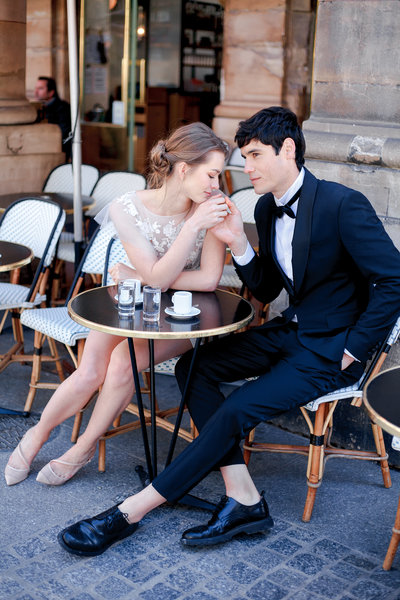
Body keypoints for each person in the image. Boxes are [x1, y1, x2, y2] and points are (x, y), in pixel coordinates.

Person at [57, 106, 400, 557]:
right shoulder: (265, 208)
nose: (246, 167)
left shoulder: (341, 203)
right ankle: (244, 497)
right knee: (195, 367)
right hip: (290, 332)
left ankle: (129, 512)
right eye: (244, 156)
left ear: (289, 149)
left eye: (255, 155)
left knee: (236, 409)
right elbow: (267, 287)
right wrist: (239, 243)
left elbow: (393, 279)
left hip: (331, 352)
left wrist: (355, 349)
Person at [5, 121, 229, 487]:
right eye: (213, 174)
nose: (216, 186)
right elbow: (156, 278)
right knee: (90, 370)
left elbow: (206, 280)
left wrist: (143, 274)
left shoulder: (211, 210)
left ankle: (82, 447)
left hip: (186, 317)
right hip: (132, 306)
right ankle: (37, 435)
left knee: (123, 362)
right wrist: (148, 277)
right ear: (185, 168)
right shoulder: (128, 207)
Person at [34, 76, 72, 161]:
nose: (36, 92)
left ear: (51, 92)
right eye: (36, 88)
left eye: (40, 89)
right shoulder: (41, 107)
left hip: (58, 152)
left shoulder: (62, 108)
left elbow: (65, 133)